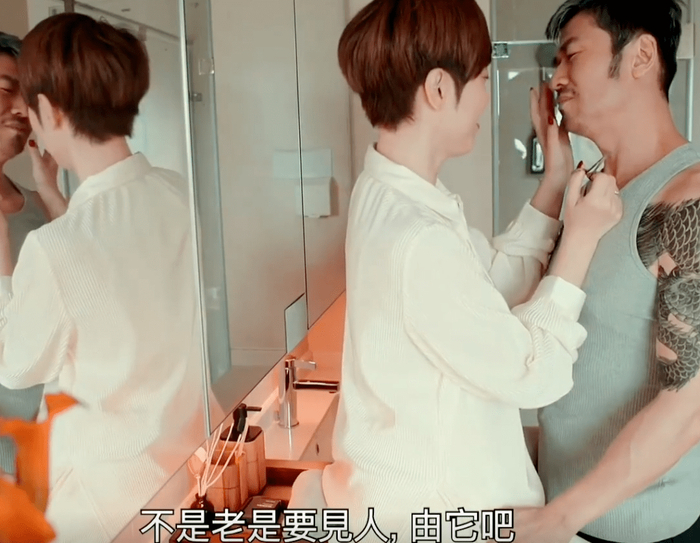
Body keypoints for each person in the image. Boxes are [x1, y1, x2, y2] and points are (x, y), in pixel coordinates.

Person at [287, 0, 622, 540]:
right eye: (484, 79)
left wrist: (556, 181)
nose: (487, 97)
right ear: (440, 89)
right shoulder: (417, 236)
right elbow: (534, 373)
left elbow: (489, 292)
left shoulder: (390, 193)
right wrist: (580, 238)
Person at [0, 13, 203, 542]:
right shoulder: (179, 193)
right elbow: (107, 269)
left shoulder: (56, 247)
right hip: (182, 468)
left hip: (101, 499)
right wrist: (53, 196)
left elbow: (16, 365)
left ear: (51, 110)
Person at [510, 1, 700, 542]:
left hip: (635, 531)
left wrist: (559, 518)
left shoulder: (687, 197)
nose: (556, 79)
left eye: (571, 56)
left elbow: (689, 404)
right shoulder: (593, 193)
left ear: (640, 56)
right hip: (563, 516)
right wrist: (555, 180)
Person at [0, 31, 64, 481]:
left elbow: (83, 288)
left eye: (28, 95)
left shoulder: (36, 202)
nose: (23, 109)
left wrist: (51, 191)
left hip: (50, 446)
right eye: (7, 90)